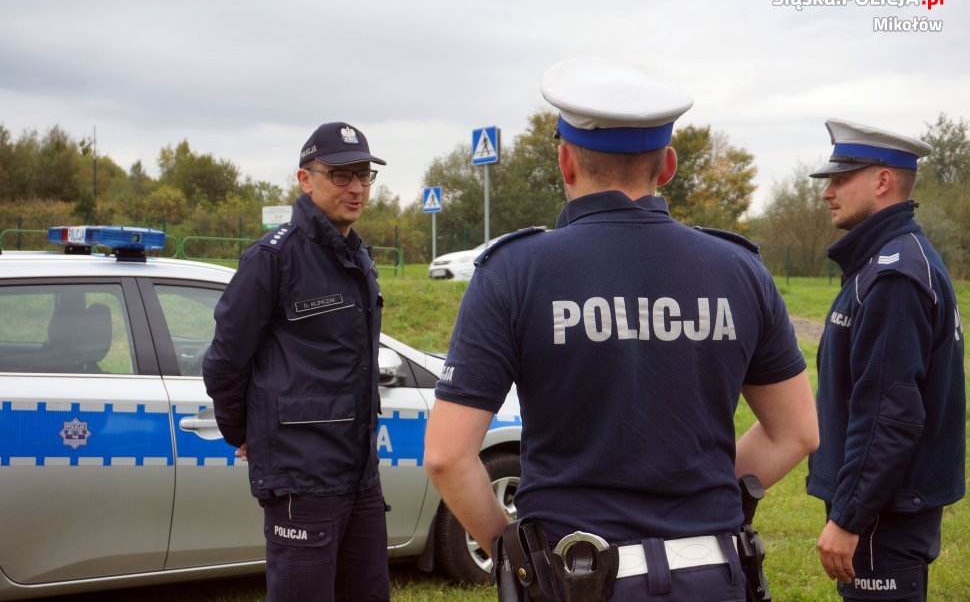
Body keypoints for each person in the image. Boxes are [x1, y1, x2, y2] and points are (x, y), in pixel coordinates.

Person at [424, 57, 819, 601]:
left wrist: (515, 558)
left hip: (572, 574)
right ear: (668, 165)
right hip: (713, 575)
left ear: (565, 161)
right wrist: (702, 499)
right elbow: (795, 432)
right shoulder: (739, 270)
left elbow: (447, 454)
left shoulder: (516, 271)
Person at [202, 122, 390, 602]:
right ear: (306, 180)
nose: (356, 188)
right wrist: (243, 432)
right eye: (341, 175)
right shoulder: (273, 258)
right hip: (301, 480)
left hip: (359, 475)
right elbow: (225, 360)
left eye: (364, 175)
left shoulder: (357, 256)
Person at [806, 118, 965, 601]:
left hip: (884, 515)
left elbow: (889, 413)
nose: (827, 192)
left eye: (839, 179)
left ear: (881, 181)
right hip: (887, 506)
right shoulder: (889, 260)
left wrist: (850, 518)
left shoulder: (894, 276)